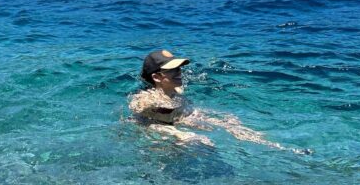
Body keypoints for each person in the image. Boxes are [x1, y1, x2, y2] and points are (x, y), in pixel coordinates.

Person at [128, 49, 311, 153]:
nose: (180, 73)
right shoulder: (146, 98)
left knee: (233, 125)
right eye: (174, 71)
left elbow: (186, 111)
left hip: (179, 118)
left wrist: (218, 118)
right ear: (157, 77)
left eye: (180, 69)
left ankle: (278, 147)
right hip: (159, 127)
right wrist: (177, 131)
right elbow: (139, 113)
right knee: (196, 139)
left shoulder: (176, 92)